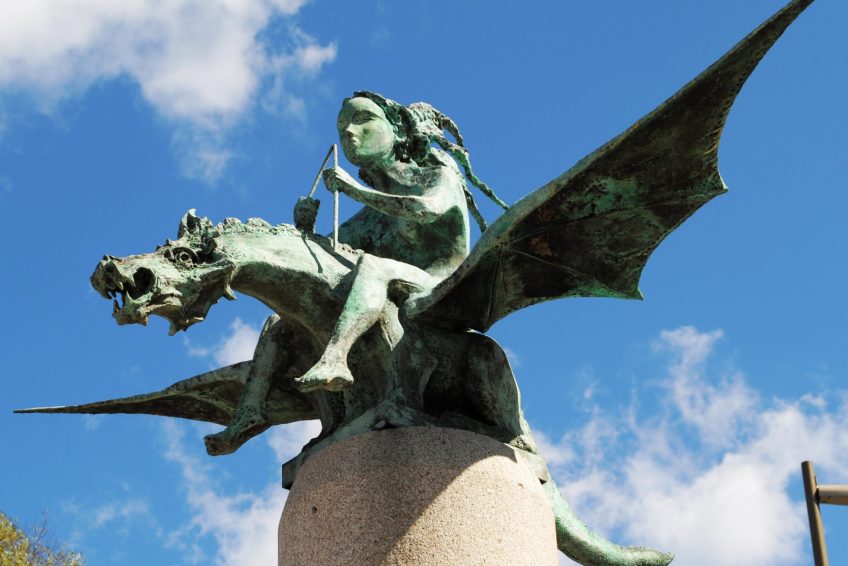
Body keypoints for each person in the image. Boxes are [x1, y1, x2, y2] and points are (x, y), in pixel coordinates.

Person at [204, 91, 506, 453]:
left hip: (440, 289)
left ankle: (336, 356)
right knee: (279, 323)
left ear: (398, 131)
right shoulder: (370, 218)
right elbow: (327, 256)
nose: (349, 131)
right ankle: (249, 412)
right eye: (342, 126)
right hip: (395, 292)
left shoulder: (436, 176)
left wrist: (354, 190)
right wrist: (305, 231)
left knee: (373, 267)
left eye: (363, 120)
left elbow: (426, 210)